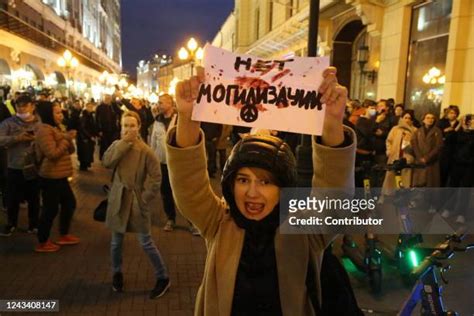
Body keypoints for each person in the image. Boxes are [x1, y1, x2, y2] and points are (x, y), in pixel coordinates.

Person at [166, 67, 359, 315]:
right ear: (230, 183)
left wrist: (332, 123)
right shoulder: (219, 222)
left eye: (266, 182)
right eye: (243, 180)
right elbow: (189, 187)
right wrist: (188, 118)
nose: (252, 193)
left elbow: (335, 197)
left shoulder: (305, 230)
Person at [102, 111, 169, 299]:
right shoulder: (117, 145)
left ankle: (163, 277)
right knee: (116, 242)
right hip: (118, 198)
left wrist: (144, 198)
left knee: (146, 242)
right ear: (120, 127)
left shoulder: (146, 150)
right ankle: (117, 273)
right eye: (125, 125)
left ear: (139, 126)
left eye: (132, 125)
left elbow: (157, 178)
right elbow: (106, 162)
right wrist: (123, 144)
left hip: (137, 201)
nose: (129, 129)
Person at [34, 101, 79, 252]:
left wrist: (68, 138)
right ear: (48, 114)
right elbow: (52, 154)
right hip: (50, 176)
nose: (61, 115)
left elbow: (69, 151)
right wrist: (66, 139)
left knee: (69, 203)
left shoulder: (56, 127)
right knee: (50, 209)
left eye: (61, 112)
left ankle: (64, 234)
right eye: (57, 113)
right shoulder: (44, 130)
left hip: (60, 174)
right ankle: (43, 241)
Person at [0, 94, 41, 236]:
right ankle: (11, 223)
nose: (21, 108)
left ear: (32, 106)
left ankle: (33, 224)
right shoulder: (8, 123)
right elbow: (1, 139)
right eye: (19, 106)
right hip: (14, 165)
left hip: (33, 166)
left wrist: (38, 140)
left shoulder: (38, 124)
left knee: (34, 197)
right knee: (12, 197)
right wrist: (17, 138)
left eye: (25, 105)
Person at [150, 94, 178, 231]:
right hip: (162, 163)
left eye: (161, 102)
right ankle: (170, 219)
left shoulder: (179, 119)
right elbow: (153, 142)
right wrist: (152, 160)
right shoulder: (157, 121)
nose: (158, 105)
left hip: (178, 164)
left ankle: (192, 222)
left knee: (181, 193)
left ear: (170, 103)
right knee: (165, 192)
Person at [411, 112, 443, 212]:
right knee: (418, 183)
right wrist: (420, 157)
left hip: (432, 162)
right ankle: (416, 202)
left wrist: (427, 158)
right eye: (428, 118)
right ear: (423, 119)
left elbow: (439, 146)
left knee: (432, 184)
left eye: (432, 118)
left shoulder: (437, 131)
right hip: (420, 161)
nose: (430, 120)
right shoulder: (418, 131)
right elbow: (414, 144)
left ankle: (432, 205)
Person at [382, 110, 417, 195]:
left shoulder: (414, 130)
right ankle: (388, 194)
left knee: (405, 177)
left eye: (409, 118)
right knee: (391, 176)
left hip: (407, 157)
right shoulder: (395, 128)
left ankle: (404, 195)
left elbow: (416, 146)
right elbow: (389, 141)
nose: (407, 120)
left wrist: (408, 140)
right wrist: (389, 151)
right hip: (394, 155)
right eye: (405, 117)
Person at [96, 94, 121, 159]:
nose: (108, 100)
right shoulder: (100, 107)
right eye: (106, 98)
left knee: (111, 144)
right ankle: (103, 157)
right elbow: (97, 119)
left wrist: (114, 104)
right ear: (104, 99)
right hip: (103, 129)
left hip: (112, 129)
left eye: (109, 98)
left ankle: (109, 157)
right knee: (103, 144)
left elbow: (119, 112)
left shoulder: (112, 106)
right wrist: (99, 130)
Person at [77, 102, 97, 171]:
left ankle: (85, 165)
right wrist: (89, 136)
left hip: (88, 137)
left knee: (88, 152)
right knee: (85, 152)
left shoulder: (90, 115)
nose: (91, 108)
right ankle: (83, 166)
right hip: (84, 138)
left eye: (92, 107)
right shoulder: (84, 115)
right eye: (89, 107)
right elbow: (83, 128)